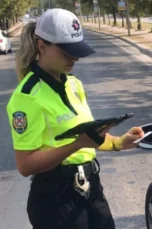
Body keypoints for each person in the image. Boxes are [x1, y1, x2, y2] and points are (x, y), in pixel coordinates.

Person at [6, 8, 144, 229]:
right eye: (67, 52)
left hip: (91, 188)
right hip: (55, 200)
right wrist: (77, 144)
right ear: (42, 46)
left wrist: (118, 142)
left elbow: (87, 136)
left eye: (77, 51)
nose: (75, 58)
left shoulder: (73, 84)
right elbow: (25, 165)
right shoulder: (26, 97)